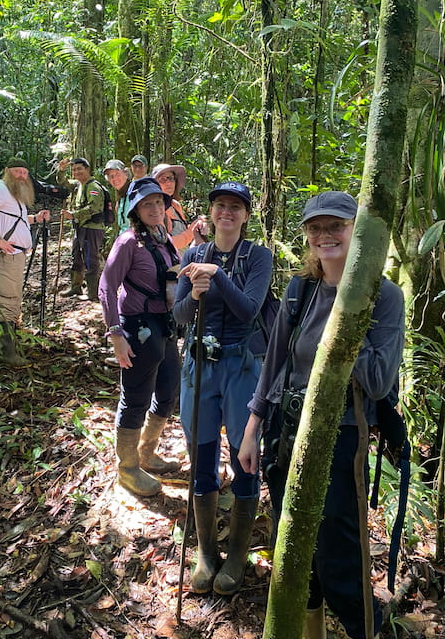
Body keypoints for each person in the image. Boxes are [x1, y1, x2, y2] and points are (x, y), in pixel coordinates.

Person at [238, 191, 405, 639]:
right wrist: (253, 427)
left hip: (340, 437)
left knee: (339, 560)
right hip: (283, 427)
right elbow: (274, 363)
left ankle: (369, 630)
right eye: (316, 227)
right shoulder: (300, 289)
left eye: (336, 226)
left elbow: (378, 381)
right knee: (293, 555)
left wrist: (349, 318)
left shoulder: (384, 297)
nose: (324, 235)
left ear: (359, 232)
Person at [173, 182, 273, 596]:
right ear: (211, 213)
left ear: (246, 215)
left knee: (244, 455)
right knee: (202, 452)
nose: (227, 212)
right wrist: (194, 295)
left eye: (235, 207)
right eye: (220, 206)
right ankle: (205, 551)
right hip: (200, 366)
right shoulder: (192, 256)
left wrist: (217, 278)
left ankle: (236, 552)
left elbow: (250, 308)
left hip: (241, 364)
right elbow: (178, 316)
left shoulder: (258, 257)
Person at [98, 176, 182, 497]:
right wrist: (116, 334)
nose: (155, 208)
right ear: (135, 209)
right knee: (135, 397)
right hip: (137, 326)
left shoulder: (164, 239)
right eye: (148, 203)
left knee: (169, 387)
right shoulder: (127, 242)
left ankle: (147, 452)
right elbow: (106, 288)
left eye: (159, 202)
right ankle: (128, 468)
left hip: (165, 324)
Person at [0, 157, 50, 366]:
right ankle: (6, 352)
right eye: (17, 172)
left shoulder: (16, 194)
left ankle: (8, 343)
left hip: (16, 254)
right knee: (7, 300)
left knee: (13, 298)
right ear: (7, 171)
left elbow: (15, 219)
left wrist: (35, 218)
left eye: (24, 173)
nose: (21, 176)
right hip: (7, 254)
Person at [56, 157, 105, 300]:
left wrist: (74, 214)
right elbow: (62, 182)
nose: (76, 172)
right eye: (74, 169)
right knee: (76, 256)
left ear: (87, 169)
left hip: (92, 228)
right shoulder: (78, 185)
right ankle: (76, 287)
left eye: (79, 169)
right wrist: (61, 169)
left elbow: (95, 207)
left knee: (91, 259)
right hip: (80, 227)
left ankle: (93, 293)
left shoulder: (94, 187)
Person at [151, 162, 208, 253]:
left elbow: (181, 231)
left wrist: (198, 224)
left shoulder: (175, 205)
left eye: (170, 178)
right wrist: (191, 232)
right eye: (163, 179)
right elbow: (165, 243)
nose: (168, 182)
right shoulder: (154, 211)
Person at [104, 159, 131, 234]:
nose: (114, 178)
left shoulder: (135, 193)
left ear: (126, 174)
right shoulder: (121, 196)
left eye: (117, 174)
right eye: (110, 176)